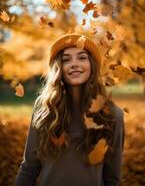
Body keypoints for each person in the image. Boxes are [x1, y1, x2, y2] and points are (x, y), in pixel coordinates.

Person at [15, 33, 125, 186]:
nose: (74, 64)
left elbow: (112, 178)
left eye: (82, 57)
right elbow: (29, 169)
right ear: (59, 68)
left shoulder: (113, 115)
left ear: (92, 65)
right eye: (66, 60)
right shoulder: (45, 107)